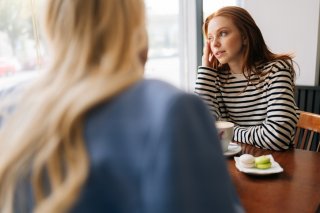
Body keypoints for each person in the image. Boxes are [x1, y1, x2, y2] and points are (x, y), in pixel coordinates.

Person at [0, 0, 243, 212]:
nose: (213, 45)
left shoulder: (8, 105)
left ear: (52, 20)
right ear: (134, 24)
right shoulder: (170, 111)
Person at [195, 6, 299, 151]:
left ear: (244, 36)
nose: (215, 44)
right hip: (231, 164)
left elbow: (278, 137)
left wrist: (228, 131)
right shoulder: (215, 78)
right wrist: (206, 72)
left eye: (223, 33)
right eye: (210, 38)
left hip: (273, 164)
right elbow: (199, 129)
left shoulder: (276, 70)